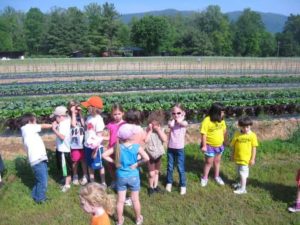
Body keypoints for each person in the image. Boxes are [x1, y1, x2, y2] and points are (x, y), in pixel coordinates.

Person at [102, 124, 149, 225]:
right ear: (130, 136)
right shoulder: (137, 147)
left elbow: (104, 155)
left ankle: (119, 221)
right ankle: (138, 219)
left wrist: (114, 162)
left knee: (120, 200)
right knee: (135, 200)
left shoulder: (117, 147)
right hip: (133, 176)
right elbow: (147, 158)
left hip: (121, 176)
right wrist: (137, 164)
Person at [20, 113, 52, 203]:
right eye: (35, 120)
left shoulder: (26, 130)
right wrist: (54, 124)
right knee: (43, 181)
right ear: (30, 121)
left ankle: (35, 195)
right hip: (37, 160)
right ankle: (40, 199)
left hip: (39, 158)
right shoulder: (28, 127)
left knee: (40, 179)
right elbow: (42, 126)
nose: (36, 122)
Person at [200, 102, 227, 187]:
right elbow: (203, 133)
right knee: (208, 162)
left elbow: (224, 131)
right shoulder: (207, 120)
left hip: (219, 145)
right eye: (222, 111)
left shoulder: (221, 120)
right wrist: (204, 146)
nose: (223, 113)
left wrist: (225, 140)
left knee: (217, 161)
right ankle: (204, 178)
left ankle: (217, 176)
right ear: (216, 112)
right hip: (209, 146)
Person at [81, 96, 106, 186]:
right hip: (88, 145)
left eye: (88, 106)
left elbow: (99, 137)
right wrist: (80, 115)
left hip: (95, 147)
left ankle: (103, 182)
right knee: (89, 163)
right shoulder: (89, 117)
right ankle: (92, 181)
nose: (87, 108)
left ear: (94, 108)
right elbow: (86, 127)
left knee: (99, 165)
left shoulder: (99, 120)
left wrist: (95, 150)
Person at [230, 116, 258, 194]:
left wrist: (252, 159)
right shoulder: (237, 134)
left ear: (250, 126)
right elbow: (233, 145)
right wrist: (232, 155)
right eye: (243, 127)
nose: (245, 129)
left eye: (247, 127)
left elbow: (254, 148)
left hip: (246, 159)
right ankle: (240, 184)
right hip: (237, 158)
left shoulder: (252, 135)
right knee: (238, 172)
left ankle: (243, 189)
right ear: (240, 126)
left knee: (243, 173)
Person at [165, 103, 188, 195]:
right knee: (170, 167)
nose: (176, 115)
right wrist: (174, 120)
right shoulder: (171, 122)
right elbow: (170, 125)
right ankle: (169, 182)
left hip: (180, 149)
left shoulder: (184, 123)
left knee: (180, 167)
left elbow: (183, 124)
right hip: (171, 148)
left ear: (183, 113)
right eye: (173, 113)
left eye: (178, 113)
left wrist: (180, 119)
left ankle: (183, 185)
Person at [144, 110, 167, 196]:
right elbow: (145, 140)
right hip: (150, 155)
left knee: (156, 172)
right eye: (152, 124)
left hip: (158, 154)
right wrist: (149, 131)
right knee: (151, 173)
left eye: (156, 125)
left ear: (159, 124)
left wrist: (159, 130)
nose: (154, 126)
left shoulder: (161, 130)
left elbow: (164, 139)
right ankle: (150, 187)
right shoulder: (147, 130)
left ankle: (155, 186)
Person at [51, 106, 72, 192]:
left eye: (56, 117)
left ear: (60, 116)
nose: (55, 119)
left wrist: (54, 129)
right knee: (64, 167)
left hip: (64, 150)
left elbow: (62, 137)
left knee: (65, 167)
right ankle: (65, 179)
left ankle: (67, 185)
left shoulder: (63, 124)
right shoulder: (66, 121)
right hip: (62, 149)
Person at [105, 103, 126, 189]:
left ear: (123, 113)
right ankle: (114, 180)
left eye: (119, 114)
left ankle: (121, 182)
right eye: (115, 114)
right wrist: (105, 147)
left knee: (121, 166)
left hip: (122, 149)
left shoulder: (125, 124)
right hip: (111, 149)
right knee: (111, 166)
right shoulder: (109, 125)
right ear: (111, 114)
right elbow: (107, 136)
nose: (117, 116)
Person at [68, 100, 88, 186]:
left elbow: (84, 125)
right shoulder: (68, 117)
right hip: (74, 144)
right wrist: (73, 113)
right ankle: (75, 176)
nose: (76, 110)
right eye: (74, 108)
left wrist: (80, 113)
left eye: (77, 108)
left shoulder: (80, 116)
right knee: (75, 161)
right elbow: (73, 125)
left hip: (82, 142)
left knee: (83, 160)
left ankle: (85, 175)